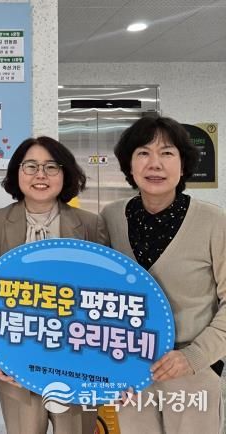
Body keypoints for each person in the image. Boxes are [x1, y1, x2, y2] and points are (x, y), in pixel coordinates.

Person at [101, 116, 225, 433]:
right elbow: (98, 296)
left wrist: (195, 357)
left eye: (167, 153)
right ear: (129, 165)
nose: (154, 163)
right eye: (143, 152)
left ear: (183, 166)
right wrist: (106, 368)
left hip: (191, 370)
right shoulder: (111, 218)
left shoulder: (214, 222)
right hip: (130, 371)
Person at [0, 136, 107, 434]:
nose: (41, 175)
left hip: (77, 360)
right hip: (16, 360)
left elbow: (105, 296)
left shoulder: (90, 223)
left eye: (51, 167)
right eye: (31, 166)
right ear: (17, 172)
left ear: (65, 173)